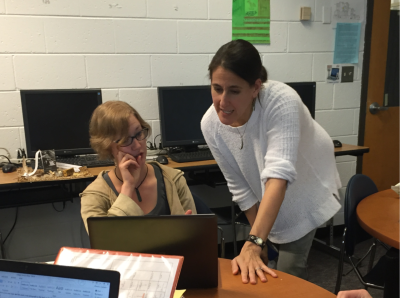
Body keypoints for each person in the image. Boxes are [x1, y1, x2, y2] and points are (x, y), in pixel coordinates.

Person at [201, 39, 342, 284]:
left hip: (307, 188)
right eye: (216, 88)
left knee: (288, 275)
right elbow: (240, 187)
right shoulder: (210, 124)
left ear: (255, 87)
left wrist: (254, 242)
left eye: (234, 91)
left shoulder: (280, 100)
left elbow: (278, 175)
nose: (222, 102)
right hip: (272, 192)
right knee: (260, 269)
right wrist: (259, 241)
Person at [80, 101, 196, 232]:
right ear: (106, 146)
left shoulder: (173, 179)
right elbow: (106, 242)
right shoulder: (95, 196)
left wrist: (188, 234)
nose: (137, 145)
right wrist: (128, 188)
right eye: (125, 140)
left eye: (139, 133)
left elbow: (196, 233)